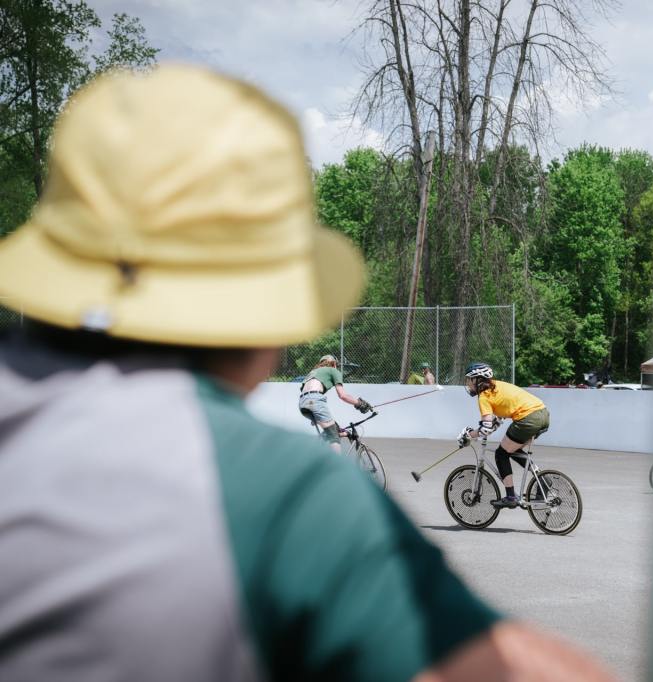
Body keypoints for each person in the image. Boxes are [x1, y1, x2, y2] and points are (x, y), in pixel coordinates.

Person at [0, 65, 613, 682]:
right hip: (459, 434)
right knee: (361, 442)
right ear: (267, 318)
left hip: (502, 420)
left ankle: (504, 487)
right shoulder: (289, 495)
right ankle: (488, 484)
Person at [457, 362, 550, 508]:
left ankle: (511, 497)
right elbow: (497, 420)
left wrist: (468, 435)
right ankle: (542, 480)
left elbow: (486, 428)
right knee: (512, 450)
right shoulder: (497, 385)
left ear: (477, 379)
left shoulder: (484, 397)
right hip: (543, 413)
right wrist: (481, 430)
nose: (468, 383)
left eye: (469, 379)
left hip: (528, 419)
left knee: (501, 454)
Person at [299, 353, 370, 452]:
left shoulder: (313, 373)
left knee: (333, 429)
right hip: (315, 400)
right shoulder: (333, 370)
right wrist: (359, 403)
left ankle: (317, 453)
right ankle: (336, 461)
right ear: (334, 364)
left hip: (303, 402)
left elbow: (306, 393)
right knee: (333, 436)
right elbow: (343, 395)